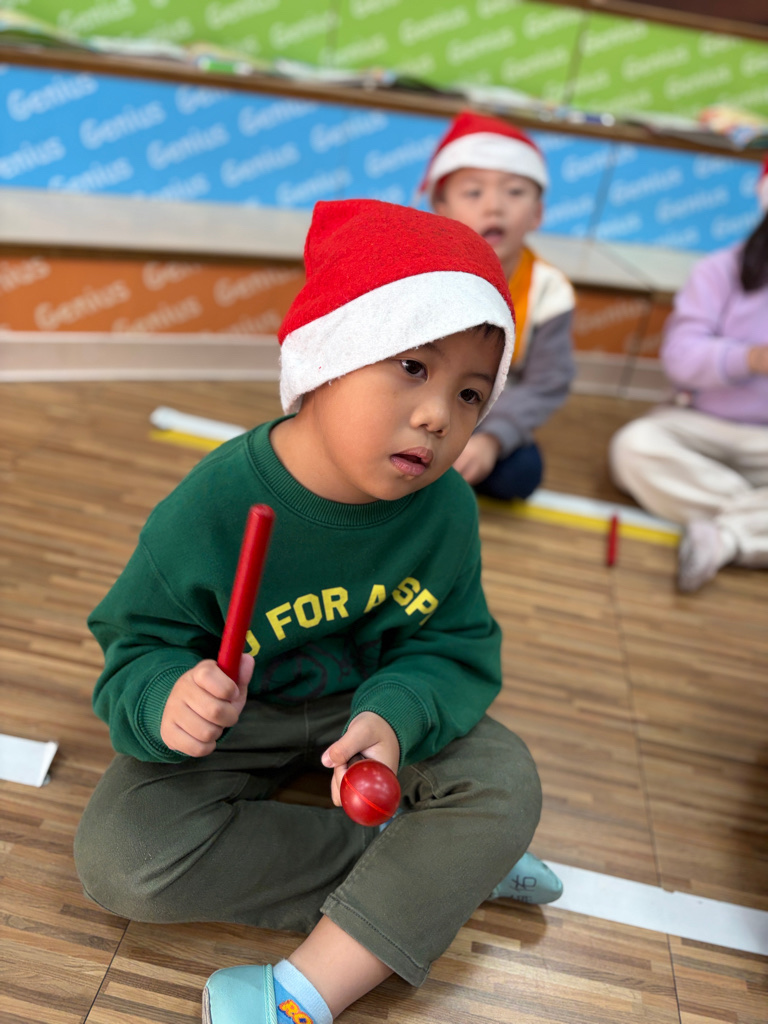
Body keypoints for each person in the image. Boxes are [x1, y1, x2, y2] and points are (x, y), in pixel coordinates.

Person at [73, 199, 562, 1024]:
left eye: (471, 393)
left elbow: (454, 646)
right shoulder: (211, 505)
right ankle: (440, 869)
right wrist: (168, 699)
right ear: (330, 356)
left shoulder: (445, 508)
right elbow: (135, 649)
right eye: (413, 367)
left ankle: (306, 990)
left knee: (506, 781)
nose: (439, 416)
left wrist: (396, 716)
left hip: (365, 705)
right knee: (124, 858)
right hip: (241, 722)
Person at [609, 196, 768, 593]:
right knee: (633, 447)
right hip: (696, 422)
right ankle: (753, 517)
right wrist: (750, 358)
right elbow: (680, 358)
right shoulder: (719, 270)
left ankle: (725, 537)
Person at [420, 111, 576, 500]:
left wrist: (491, 438)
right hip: (415, 405)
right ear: (441, 206)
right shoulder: (419, 273)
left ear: (538, 213)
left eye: (515, 192)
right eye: (473, 193)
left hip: (486, 417)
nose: (494, 207)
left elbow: (546, 383)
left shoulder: (549, 290)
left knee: (521, 475)